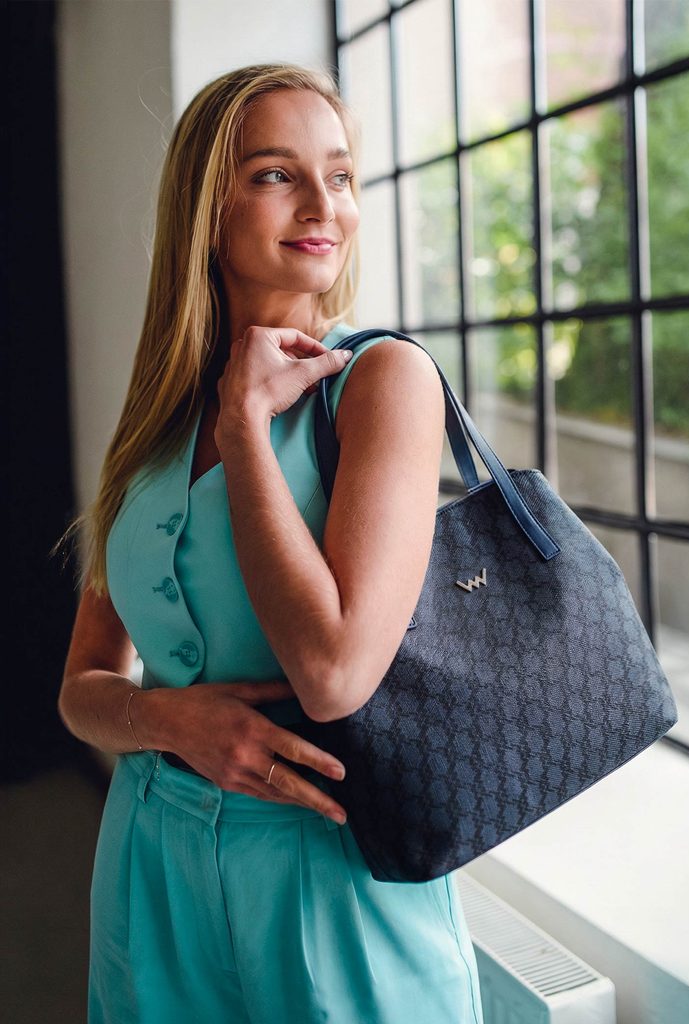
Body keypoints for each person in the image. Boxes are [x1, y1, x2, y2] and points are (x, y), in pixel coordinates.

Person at [57, 63, 485, 1024]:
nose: (322, 204)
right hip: (148, 862)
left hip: (331, 872)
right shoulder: (156, 419)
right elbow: (82, 686)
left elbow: (333, 675)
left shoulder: (383, 381)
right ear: (208, 209)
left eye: (339, 175)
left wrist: (247, 429)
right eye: (276, 174)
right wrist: (167, 722)